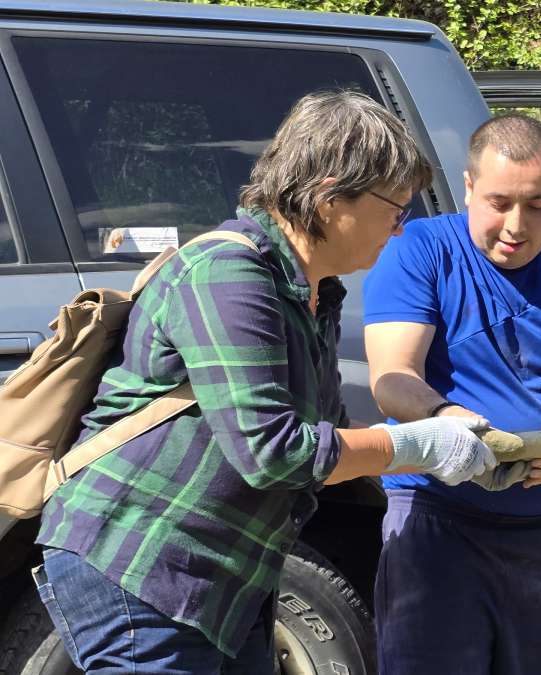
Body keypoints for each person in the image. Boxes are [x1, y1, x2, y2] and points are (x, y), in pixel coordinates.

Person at [33, 91, 496, 672]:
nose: (400, 230)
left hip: (226, 578)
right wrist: (417, 446)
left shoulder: (312, 291)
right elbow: (271, 453)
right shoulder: (228, 274)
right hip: (142, 561)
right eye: (395, 209)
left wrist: (452, 443)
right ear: (330, 197)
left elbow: (325, 439)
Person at [363, 114, 541, 673]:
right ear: (468, 187)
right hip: (437, 525)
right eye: (499, 202)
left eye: (537, 205)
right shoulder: (420, 250)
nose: (516, 225)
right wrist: (449, 419)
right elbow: (392, 377)